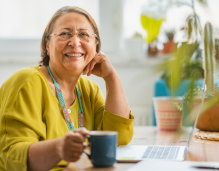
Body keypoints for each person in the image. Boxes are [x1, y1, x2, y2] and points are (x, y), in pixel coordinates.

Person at [0, 6, 134, 171]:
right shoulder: (27, 82)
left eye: (84, 34)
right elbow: (12, 157)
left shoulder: (88, 89)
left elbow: (118, 137)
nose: (75, 42)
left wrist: (111, 78)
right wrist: (58, 149)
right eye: (65, 34)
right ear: (47, 45)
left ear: (96, 46)